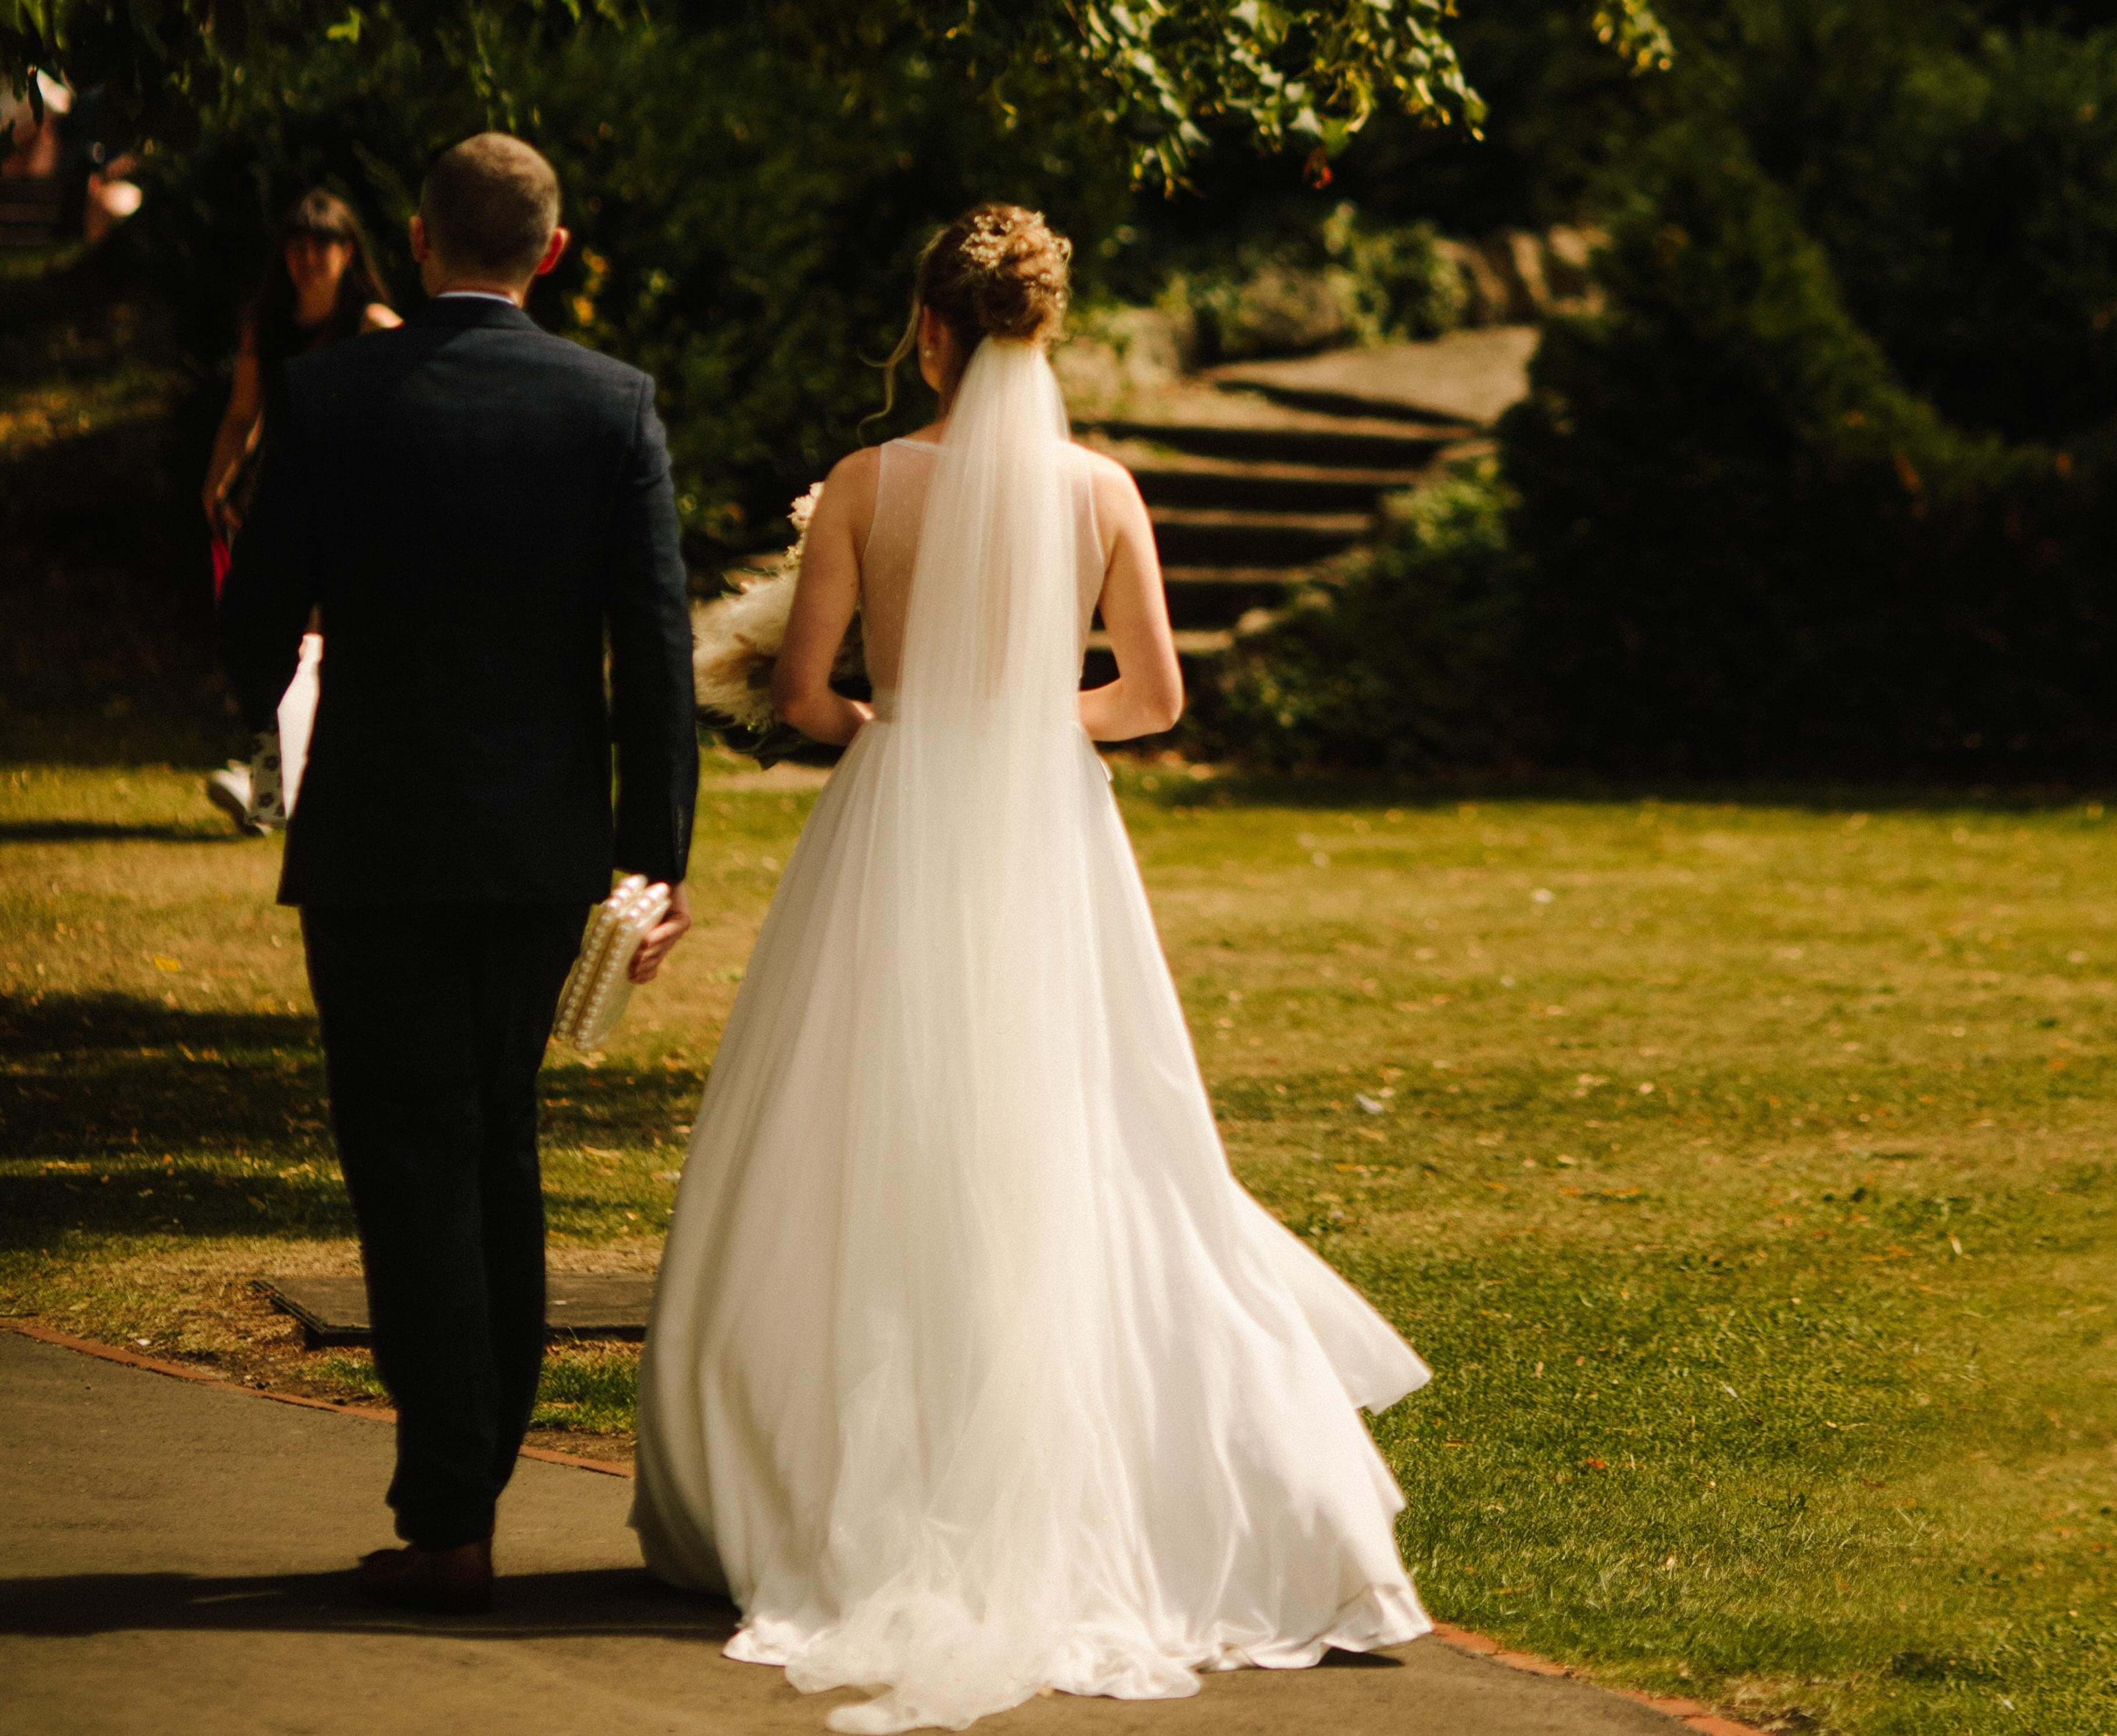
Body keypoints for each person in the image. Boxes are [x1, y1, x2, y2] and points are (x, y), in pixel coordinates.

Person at [631, 205, 1428, 1734]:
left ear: (928, 334)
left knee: (858, 1125)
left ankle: (822, 1477)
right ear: (1042, 334)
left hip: (902, 814)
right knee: (1089, 1134)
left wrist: (905, 732)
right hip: (1048, 840)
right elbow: (1154, 694)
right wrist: (1031, 730)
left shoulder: (869, 485)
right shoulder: (1101, 490)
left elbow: (805, 695)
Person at [217, 133, 698, 1615]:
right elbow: (659, 645)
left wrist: (281, 653)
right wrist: (655, 858)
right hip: (543, 842)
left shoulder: (332, 395)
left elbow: (253, 639)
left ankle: (451, 1508)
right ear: (548, 254)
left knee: (408, 1155)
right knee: (500, 1140)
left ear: (418, 241)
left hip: (374, 840)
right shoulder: (612, 405)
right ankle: (465, 1485)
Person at [202, 188, 401, 835]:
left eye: (324, 243)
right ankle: (269, 791)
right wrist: (218, 483)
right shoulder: (269, 323)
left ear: (350, 252)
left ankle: (302, 787)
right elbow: (241, 416)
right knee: (255, 644)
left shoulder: (374, 325)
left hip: (353, 516)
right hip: (280, 507)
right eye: (298, 243)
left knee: (329, 655)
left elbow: (411, 416)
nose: (309, 256)